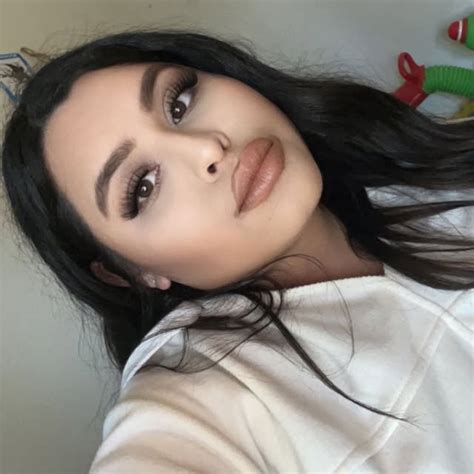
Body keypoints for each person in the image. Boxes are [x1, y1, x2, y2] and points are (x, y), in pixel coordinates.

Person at [1, 28, 473, 473]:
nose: (207, 148)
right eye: (142, 186)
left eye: (179, 103)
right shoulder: (203, 396)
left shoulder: (411, 167)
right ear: (131, 271)